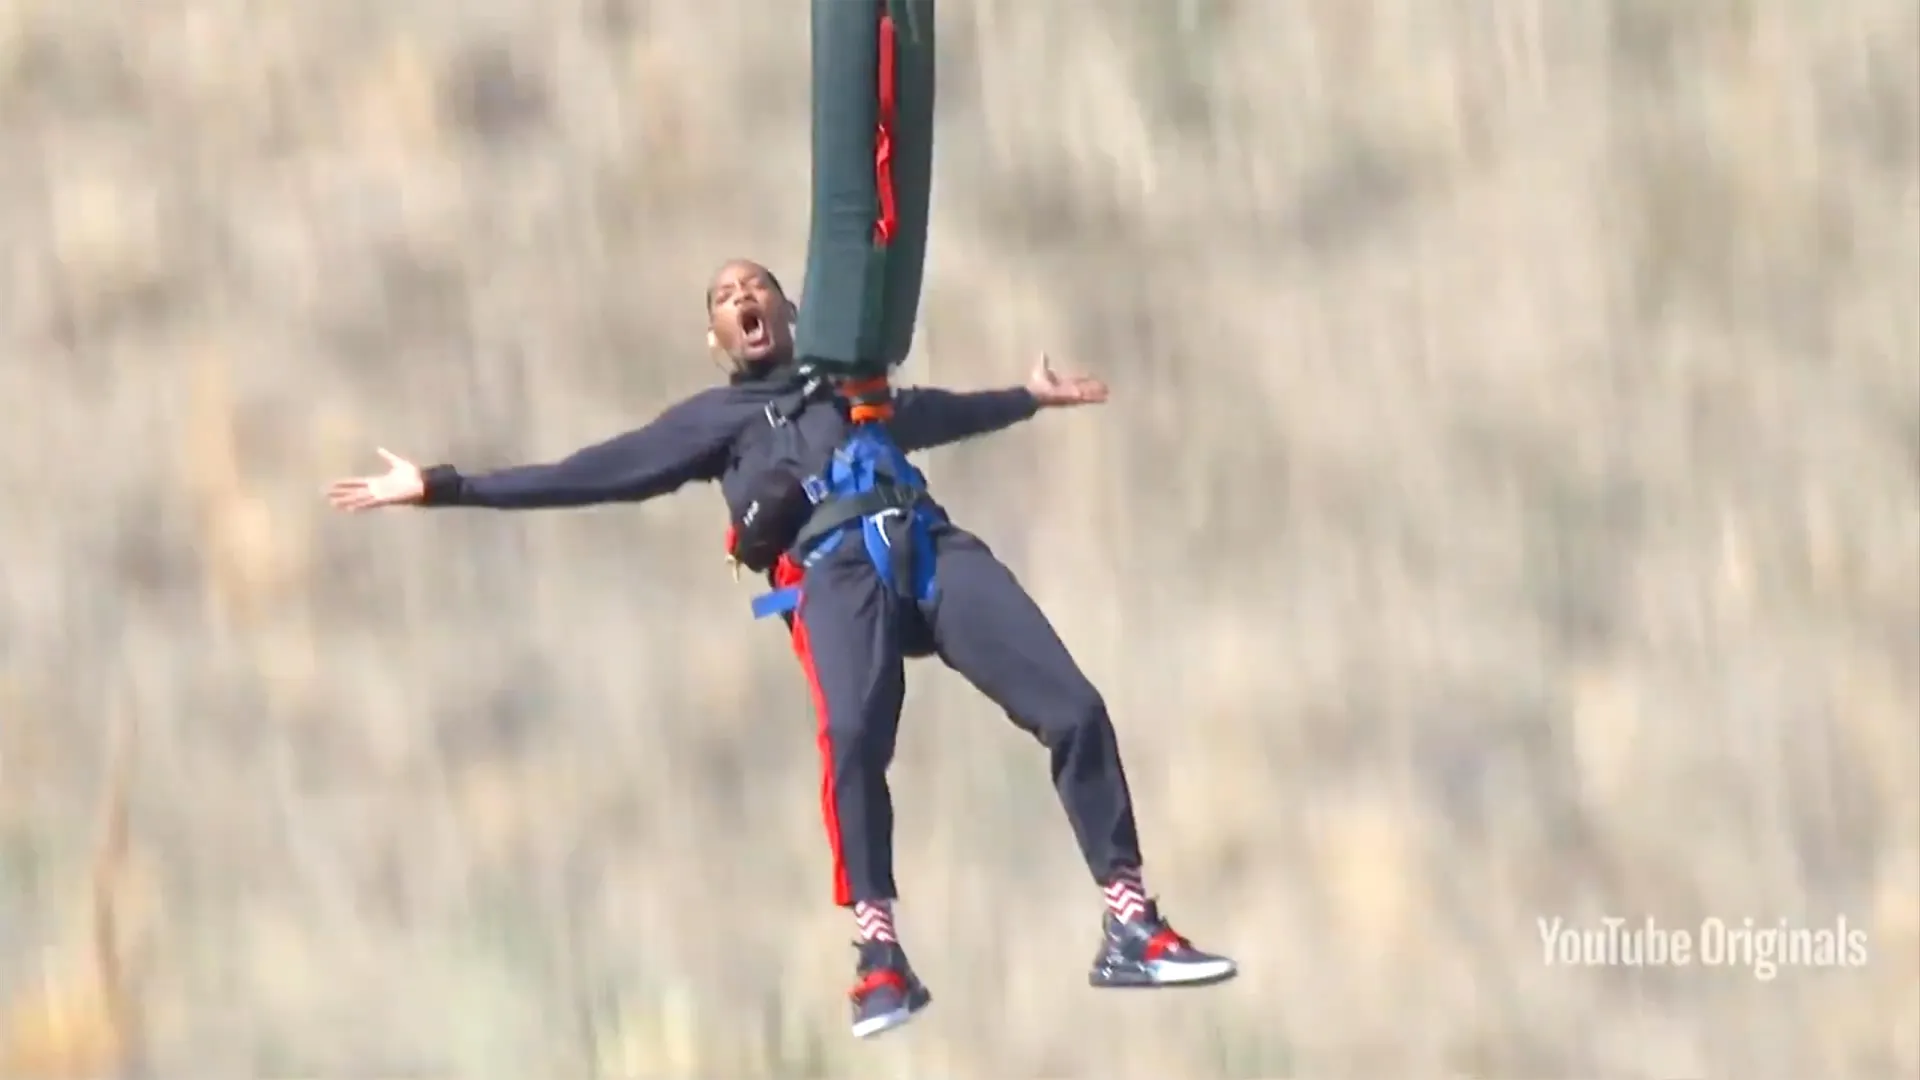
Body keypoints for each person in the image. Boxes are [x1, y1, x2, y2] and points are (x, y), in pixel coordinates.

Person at [326, 259, 1238, 1039]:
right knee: (852, 740)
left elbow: (933, 412)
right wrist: (441, 486)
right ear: (717, 335)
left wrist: (1027, 399)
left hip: (925, 545)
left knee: (1074, 707)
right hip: (834, 575)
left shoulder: (848, 387)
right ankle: (879, 949)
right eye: (727, 295)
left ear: (792, 311)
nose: (745, 296)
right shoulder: (711, 422)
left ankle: (1130, 926)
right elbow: (584, 475)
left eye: (759, 285)